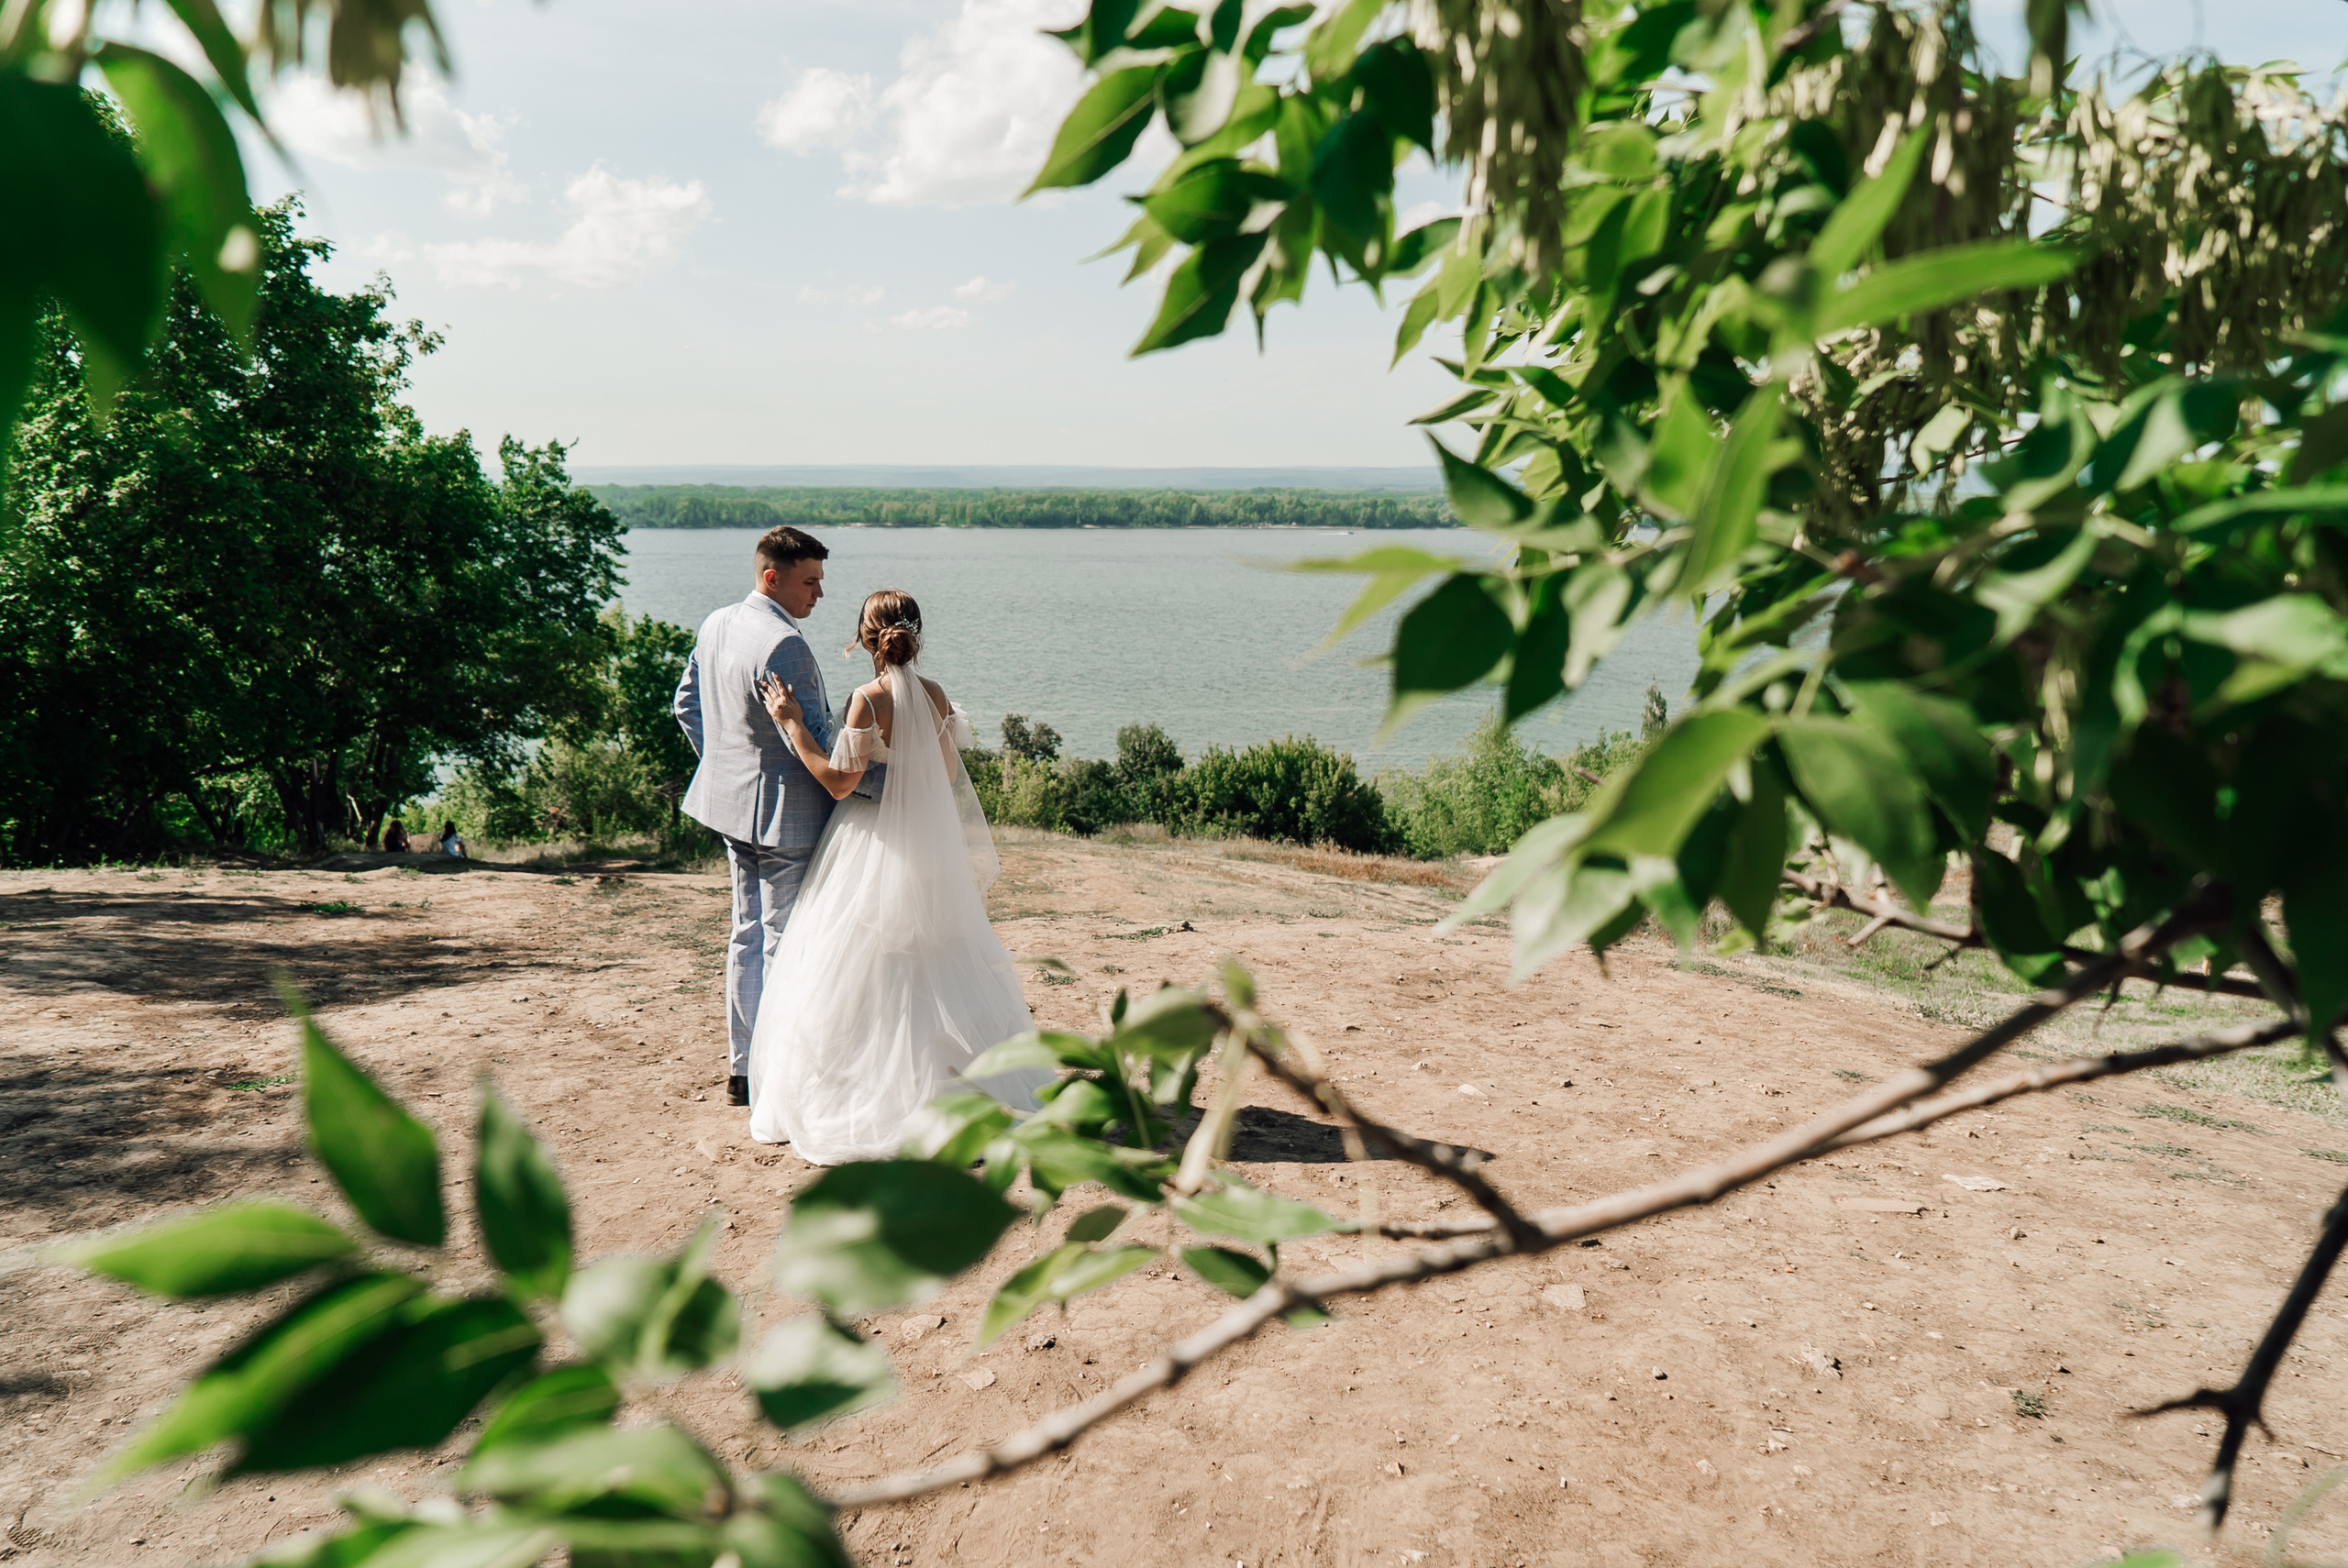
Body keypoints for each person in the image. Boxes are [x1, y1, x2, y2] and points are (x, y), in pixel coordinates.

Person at [745, 590, 1051, 1162]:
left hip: (869, 842)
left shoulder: (867, 698)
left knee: (857, 963)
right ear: (917, 635)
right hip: (925, 846)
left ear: (865, 638)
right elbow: (946, 773)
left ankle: (875, 1098)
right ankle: (971, 1086)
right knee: (937, 957)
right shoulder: (936, 696)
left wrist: (793, 726)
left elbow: (837, 782)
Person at [673, 525, 845, 1109]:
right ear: (772, 578)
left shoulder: (717, 622)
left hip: (730, 808)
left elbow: (685, 705)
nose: (819, 595)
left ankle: (743, 1069)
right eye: (810, 582)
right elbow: (816, 736)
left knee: (745, 935)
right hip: (786, 818)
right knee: (782, 941)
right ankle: (778, 1073)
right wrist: (887, 784)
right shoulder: (784, 644)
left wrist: (727, 766)